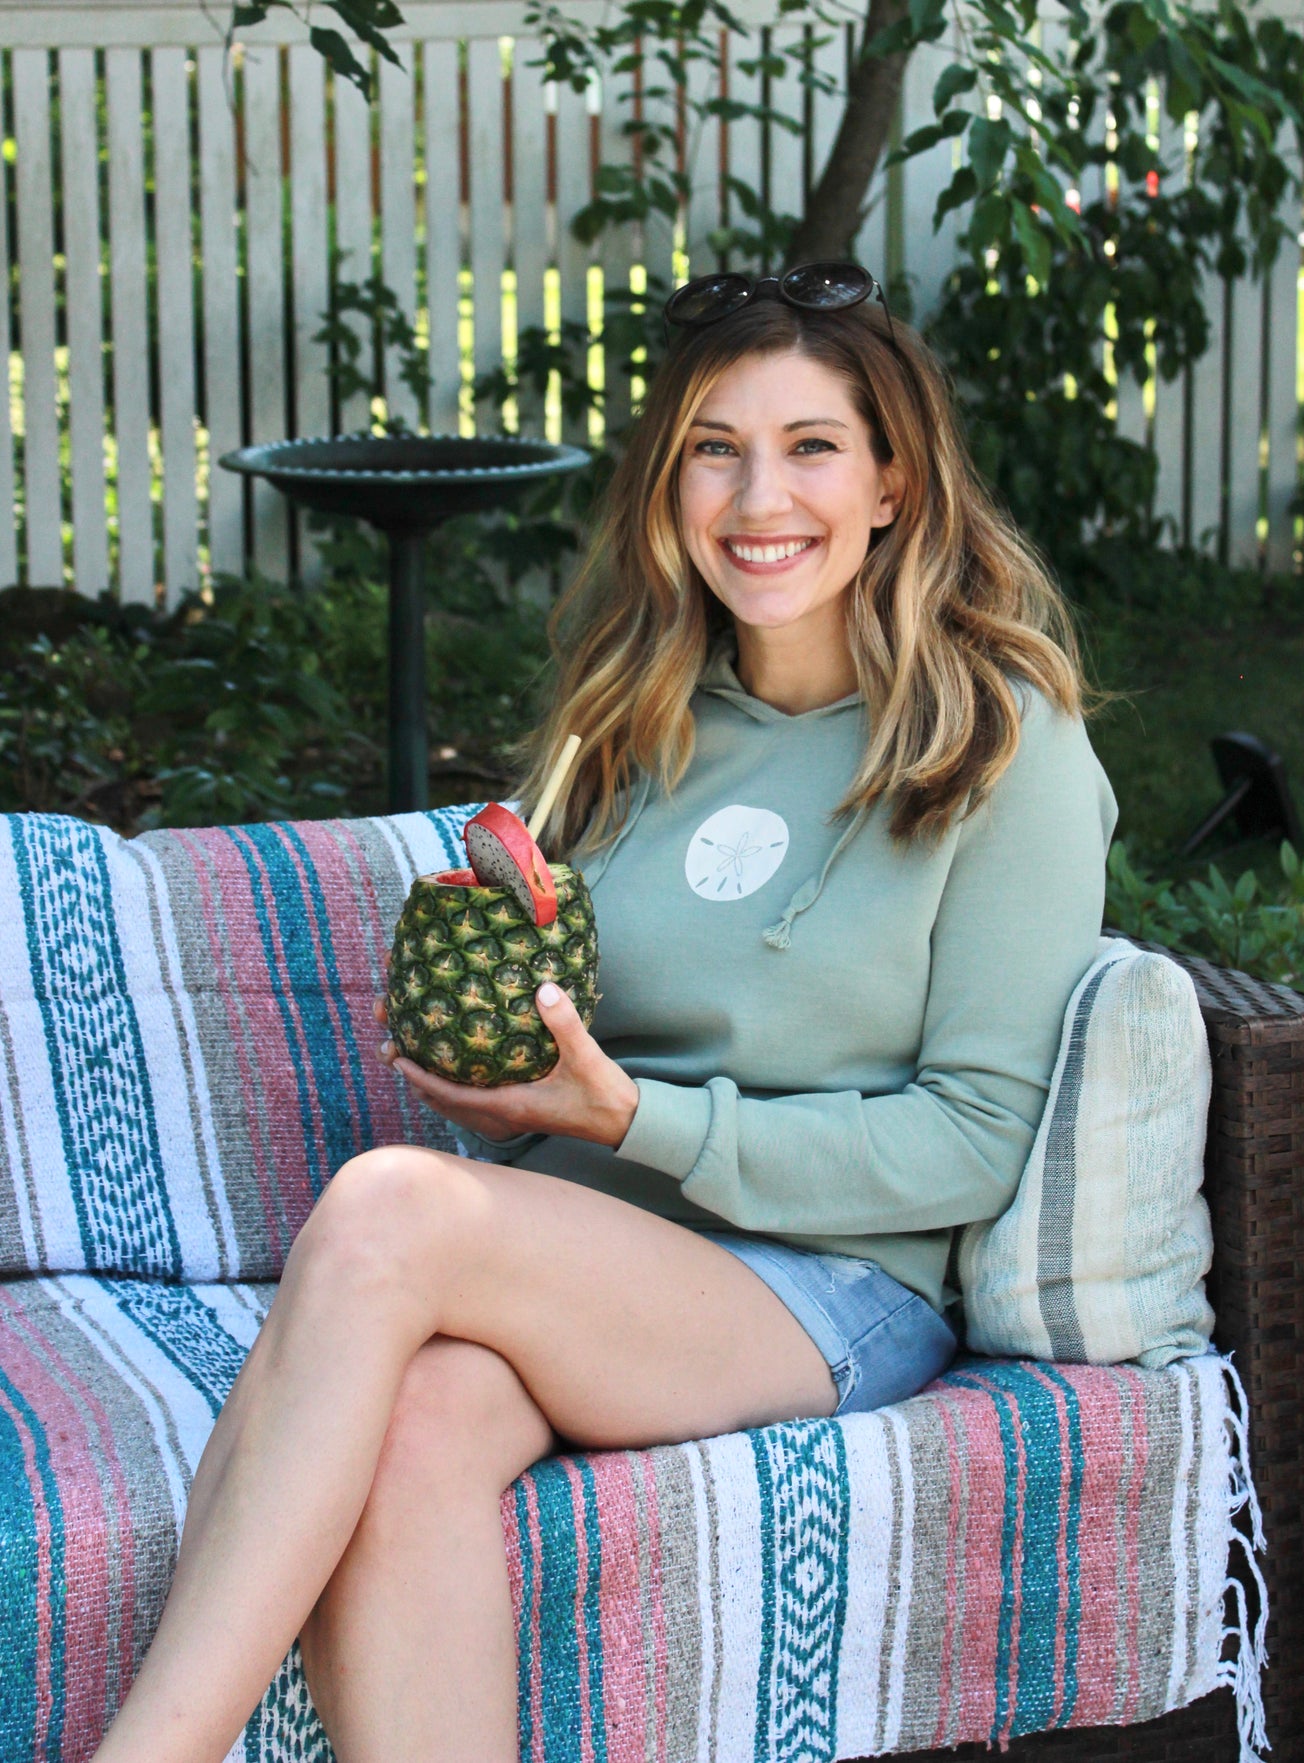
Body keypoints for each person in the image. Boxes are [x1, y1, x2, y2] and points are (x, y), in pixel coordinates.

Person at [92, 263, 1116, 1763]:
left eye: (811, 446)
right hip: (592, 1252)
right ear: (669, 483)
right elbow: (557, 1002)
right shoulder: (632, 720)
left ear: (894, 484)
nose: (758, 497)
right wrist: (496, 1053)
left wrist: (641, 1119)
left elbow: (971, 1144)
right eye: (714, 448)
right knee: (419, 1429)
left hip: (829, 1281)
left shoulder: (998, 744)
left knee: (386, 1206)